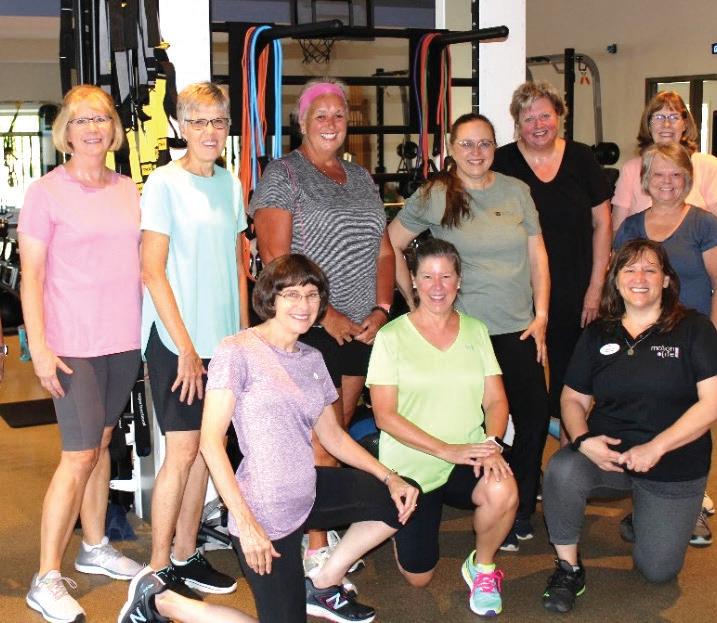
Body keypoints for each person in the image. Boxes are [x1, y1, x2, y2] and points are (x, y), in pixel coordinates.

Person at [119, 254, 419, 623]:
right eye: (291, 294)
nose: (303, 305)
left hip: (308, 490)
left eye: (311, 295)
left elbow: (334, 438)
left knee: (401, 497)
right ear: (270, 299)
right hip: (264, 511)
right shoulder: (238, 350)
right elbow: (210, 442)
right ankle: (161, 601)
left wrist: (390, 477)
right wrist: (246, 523)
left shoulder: (312, 358)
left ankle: (323, 583)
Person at [249, 77, 394, 567]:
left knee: (338, 432)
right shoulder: (284, 175)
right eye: (321, 115)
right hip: (308, 329)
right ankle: (314, 546)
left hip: (360, 328)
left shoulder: (360, 177)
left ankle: (313, 524)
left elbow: (383, 250)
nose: (331, 123)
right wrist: (326, 314)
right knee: (318, 439)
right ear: (302, 122)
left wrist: (382, 308)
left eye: (338, 115)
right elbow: (276, 259)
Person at [388, 113, 549, 549]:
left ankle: (517, 508)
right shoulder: (436, 194)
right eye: (467, 144)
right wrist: (414, 301)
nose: (476, 152)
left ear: (495, 146)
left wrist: (542, 315)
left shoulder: (516, 191)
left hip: (518, 328)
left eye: (485, 143)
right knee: (470, 421)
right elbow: (392, 241)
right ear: (451, 148)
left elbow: (537, 254)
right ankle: (469, 494)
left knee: (533, 418)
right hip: (464, 333)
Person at [19, 84, 143, 623]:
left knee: (102, 443)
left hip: (123, 339)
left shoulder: (129, 188)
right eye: (81, 120)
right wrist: (40, 348)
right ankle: (46, 576)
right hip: (71, 344)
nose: (93, 128)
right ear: (65, 132)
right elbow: (32, 276)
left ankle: (94, 545)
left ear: (113, 129)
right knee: (77, 455)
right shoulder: (46, 192)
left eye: (101, 119)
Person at [541, 239, 717, 614]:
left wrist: (657, 447)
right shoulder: (598, 333)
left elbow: (712, 403)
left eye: (650, 270)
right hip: (610, 455)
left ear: (666, 280)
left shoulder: (695, 329)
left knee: (658, 571)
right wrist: (583, 440)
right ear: (616, 279)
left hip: (674, 462)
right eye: (629, 269)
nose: (640, 278)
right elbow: (572, 399)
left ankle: (646, 515)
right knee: (563, 469)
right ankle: (568, 568)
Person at [367, 238, 518, 616]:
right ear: (413, 281)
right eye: (427, 276)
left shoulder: (476, 330)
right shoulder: (390, 337)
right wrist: (445, 449)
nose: (437, 286)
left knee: (503, 488)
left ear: (459, 281)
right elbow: (385, 415)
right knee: (419, 578)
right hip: (413, 466)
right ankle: (391, 514)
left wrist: (492, 443)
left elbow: (496, 401)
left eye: (446, 276)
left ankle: (483, 567)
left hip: (468, 452)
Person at [141, 82, 246, 594]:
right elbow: (152, 271)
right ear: (181, 127)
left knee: (210, 448)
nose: (209, 131)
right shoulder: (163, 183)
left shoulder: (230, 183)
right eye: (198, 121)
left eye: (218, 121)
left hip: (222, 343)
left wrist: (243, 338)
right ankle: (157, 568)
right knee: (182, 452)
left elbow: (236, 264)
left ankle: (185, 553)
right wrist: (185, 347)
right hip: (177, 341)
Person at [492, 81, 612, 433]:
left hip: (576, 287)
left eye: (545, 115)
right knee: (521, 383)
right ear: (517, 123)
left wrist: (596, 287)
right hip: (518, 291)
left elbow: (603, 224)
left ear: (559, 115)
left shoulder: (581, 158)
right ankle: (522, 454)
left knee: (570, 380)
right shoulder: (501, 162)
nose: (538, 125)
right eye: (528, 118)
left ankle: (567, 455)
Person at [614, 142, 717, 547]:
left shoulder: (703, 224)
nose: (668, 182)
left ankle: (693, 506)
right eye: (659, 174)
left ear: (688, 180)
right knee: (645, 417)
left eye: (677, 174)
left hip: (692, 342)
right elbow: (619, 283)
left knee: (693, 421)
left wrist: (711, 336)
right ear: (646, 180)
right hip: (642, 343)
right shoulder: (631, 227)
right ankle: (646, 500)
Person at [612, 90, 717, 232]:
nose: (666, 124)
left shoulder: (708, 166)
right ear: (649, 125)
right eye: (659, 117)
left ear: (685, 124)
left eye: (674, 117)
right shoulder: (631, 170)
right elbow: (618, 231)